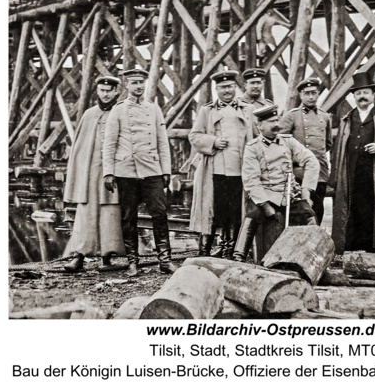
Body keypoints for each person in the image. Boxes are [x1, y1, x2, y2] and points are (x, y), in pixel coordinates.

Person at [102, 67, 177, 276]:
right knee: (128, 217)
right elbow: (109, 144)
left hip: (152, 169)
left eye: (141, 83)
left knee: (160, 213)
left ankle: (165, 260)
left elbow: (163, 142)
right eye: (134, 83)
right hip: (126, 171)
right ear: (127, 85)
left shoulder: (154, 109)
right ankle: (133, 261)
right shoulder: (117, 110)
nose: (138, 87)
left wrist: (166, 170)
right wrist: (108, 172)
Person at [234, 104, 319, 262]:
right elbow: (251, 179)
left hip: (289, 196)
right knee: (252, 215)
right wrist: (266, 206)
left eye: (276, 120)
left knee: (309, 215)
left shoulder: (289, 142)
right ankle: (239, 256)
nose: (276, 125)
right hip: (266, 196)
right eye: (271, 122)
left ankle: (316, 257)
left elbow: (311, 161)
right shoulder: (253, 148)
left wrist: (306, 190)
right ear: (259, 126)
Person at [189, 70, 256, 258]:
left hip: (239, 169)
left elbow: (256, 137)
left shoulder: (247, 110)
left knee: (235, 211)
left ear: (236, 87)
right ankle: (205, 250)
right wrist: (212, 142)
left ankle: (229, 249)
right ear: (216, 89)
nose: (227, 90)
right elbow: (194, 136)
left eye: (230, 86)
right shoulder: (207, 110)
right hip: (215, 169)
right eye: (222, 87)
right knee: (212, 209)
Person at [329, 72, 375, 255]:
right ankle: (351, 247)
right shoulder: (347, 120)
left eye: (365, 92)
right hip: (351, 173)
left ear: (373, 94)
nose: (362, 97)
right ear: (354, 97)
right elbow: (337, 149)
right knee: (352, 209)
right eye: (358, 94)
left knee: (374, 210)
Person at [62, 77, 125, 272]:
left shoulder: (121, 113)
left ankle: (107, 259)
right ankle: (79, 257)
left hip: (114, 173)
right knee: (85, 213)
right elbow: (79, 149)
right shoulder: (89, 115)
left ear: (116, 92)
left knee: (111, 213)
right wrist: (78, 176)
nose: (105, 94)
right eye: (102, 90)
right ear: (97, 91)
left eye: (109, 90)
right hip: (90, 174)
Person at [279, 77, 332, 225]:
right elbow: (281, 143)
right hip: (300, 172)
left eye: (314, 93)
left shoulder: (325, 116)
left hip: (320, 172)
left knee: (318, 206)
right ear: (300, 95)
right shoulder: (292, 116)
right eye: (307, 93)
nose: (311, 97)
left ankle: (315, 239)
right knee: (300, 208)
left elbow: (328, 143)